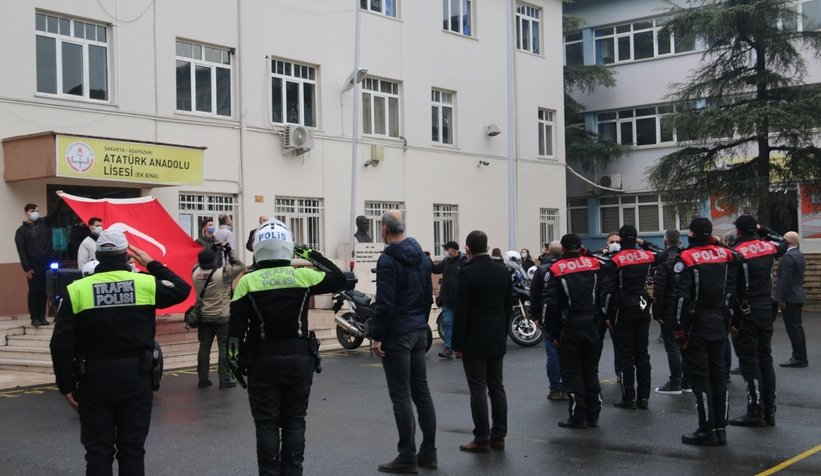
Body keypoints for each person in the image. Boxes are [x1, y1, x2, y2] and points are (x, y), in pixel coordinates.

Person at [49, 228, 191, 474]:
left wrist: (66, 385)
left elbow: (61, 343)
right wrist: (152, 263)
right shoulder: (145, 283)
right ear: (126, 255)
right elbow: (182, 289)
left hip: (94, 378)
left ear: (99, 256)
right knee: (132, 449)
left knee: (98, 451)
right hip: (136, 377)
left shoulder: (78, 289)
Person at [228, 219, 345, 476]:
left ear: (257, 248)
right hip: (298, 360)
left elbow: (234, 333)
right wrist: (307, 252)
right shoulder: (302, 275)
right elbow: (338, 277)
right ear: (287, 247)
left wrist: (234, 365)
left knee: (266, 424)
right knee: (294, 421)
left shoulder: (247, 282)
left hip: (262, 362)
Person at [370, 210, 437, 474]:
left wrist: (377, 336)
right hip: (419, 330)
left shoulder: (387, 260)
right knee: (421, 392)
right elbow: (425, 295)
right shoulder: (421, 256)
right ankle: (429, 453)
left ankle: (407, 456)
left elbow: (385, 303)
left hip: (398, 333)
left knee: (401, 396)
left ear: (385, 229)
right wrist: (421, 323)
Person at [673, 218, 736, 446]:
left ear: (691, 233)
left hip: (697, 322)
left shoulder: (687, 258)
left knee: (701, 378)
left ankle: (706, 429)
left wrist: (679, 329)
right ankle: (720, 428)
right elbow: (735, 282)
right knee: (718, 375)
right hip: (719, 320)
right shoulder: (725, 255)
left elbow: (681, 297)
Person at [452, 230, 511, 452]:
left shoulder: (467, 273)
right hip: (496, 336)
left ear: (467, 249)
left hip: (474, 338)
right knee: (497, 387)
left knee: (477, 388)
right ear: (487, 248)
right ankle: (499, 435)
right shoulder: (502, 271)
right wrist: (503, 333)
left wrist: (457, 344)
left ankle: (482, 438)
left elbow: (461, 311)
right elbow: (507, 307)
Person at [728, 215, 788, 428]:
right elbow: (784, 241)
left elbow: (731, 289)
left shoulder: (736, 252)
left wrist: (732, 319)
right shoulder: (767, 247)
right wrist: (763, 229)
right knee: (765, 358)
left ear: (738, 231)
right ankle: (769, 409)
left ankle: (755, 410)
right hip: (765, 309)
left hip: (746, 310)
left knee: (749, 361)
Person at [544, 234, 604, 429]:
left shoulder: (556, 269)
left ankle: (578, 416)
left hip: (571, 326)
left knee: (573, 373)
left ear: (562, 248)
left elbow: (551, 304)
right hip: (592, 325)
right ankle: (593, 414)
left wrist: (552, 332)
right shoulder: (595, 264)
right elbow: (604, 293)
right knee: (591, 371)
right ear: (580, 246)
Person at [600, 225, 663, 410]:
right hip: (643, 304)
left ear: (621, 238)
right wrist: (642, 242)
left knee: (625, 353)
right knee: (642, 353)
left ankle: (629, 397)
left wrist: (607, 314)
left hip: (624, 307)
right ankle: (644, 397)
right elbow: (662, 253)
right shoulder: (647, 255)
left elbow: (608, 291)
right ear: (635, 238)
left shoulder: (615, 260)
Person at [193, 247, 245, 389]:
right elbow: (240, 266)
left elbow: (199, 263)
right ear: (213, 260)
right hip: (222, 316)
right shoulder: (222, 274)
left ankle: (203, 379)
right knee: (223, 347)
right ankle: (224, 378)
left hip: (203, 316)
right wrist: (229, 251)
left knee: (204, 347)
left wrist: (212, 249)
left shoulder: (195, 272)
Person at [15, 199, 65, 327]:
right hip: (33, 264)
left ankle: (42, 316)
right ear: (26, 213)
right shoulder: (21, 231)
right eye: (32, 211)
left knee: (44, 290)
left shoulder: (45, 223)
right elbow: (21, 250)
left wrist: (60, 199)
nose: (35, 213)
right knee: (34, 291)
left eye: (37, 211)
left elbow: (54, 213)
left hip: (47, 262)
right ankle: (34, 317)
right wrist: (26, 268)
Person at [652, 230, 689, 395]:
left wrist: (656, 314)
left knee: (672, 346)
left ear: (665, 242)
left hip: (669, 309)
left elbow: (659, 291)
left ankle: (675, 382)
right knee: (685, 345)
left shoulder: (664, 261)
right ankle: (687, 381)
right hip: (686, 308)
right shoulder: (687, 258)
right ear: (680, 242)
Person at [530, 240, 565, 401]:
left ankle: (555, 389)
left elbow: (535, 295)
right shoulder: (568, 267)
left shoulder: (542, 270)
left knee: (552, 354)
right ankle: (567, 387)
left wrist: (536, 317)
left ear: (548, 253)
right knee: (567, 354)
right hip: (567, 317)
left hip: (548, 317)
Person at [430, 240, 468, 359]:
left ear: (454, 250)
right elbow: (436, 270)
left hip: (460, 300)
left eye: (447, 249)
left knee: (461, 324)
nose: (445, 251)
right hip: (447, 299)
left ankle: (461, 348)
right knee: (447, 323)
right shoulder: (446, 261)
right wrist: (428, 259)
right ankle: (448, 348)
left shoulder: (463, 262)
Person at [776, 231, 808, 368]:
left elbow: (785, 279)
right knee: (797, 327)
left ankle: (799, 357)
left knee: (793, 328)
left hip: (790, 297)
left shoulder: (788, 257)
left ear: (787, 242)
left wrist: (781, 298)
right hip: (798, 294)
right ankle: (800, 356)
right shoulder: (799, 255)